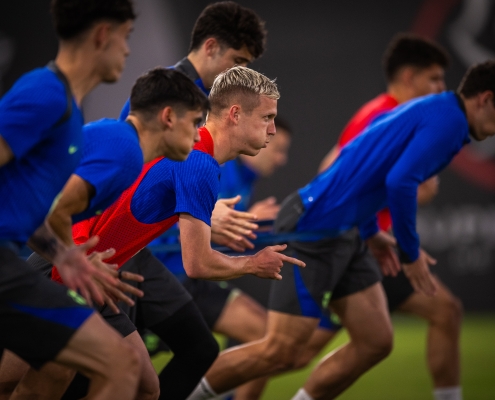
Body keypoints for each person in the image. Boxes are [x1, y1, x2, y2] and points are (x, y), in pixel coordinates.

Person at [186, 60, 495, 400]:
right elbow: (399, 180)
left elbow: (360, 168)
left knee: (375, 341)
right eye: (266, 119)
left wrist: (369, 228)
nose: (271, 132)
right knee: (281, 350)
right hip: (316, 229)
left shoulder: (435, 112)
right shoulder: (448, 120)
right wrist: (409, 254)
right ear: (486, 99)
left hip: (348, 232)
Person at [0, 66, 210, 400]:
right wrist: (72, 257)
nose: (199, 136)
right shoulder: (125, 154)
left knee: (57, 370)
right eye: (196, 122)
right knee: (119, 368)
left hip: (16, 254)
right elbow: (54, 208)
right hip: (11, 257)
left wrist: (72, 258)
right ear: (168, 117)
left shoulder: (120, 144)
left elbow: (39, 206)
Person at [290, 34, 463, 400]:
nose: (441, 88)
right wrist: (417, 188)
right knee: (289, 350)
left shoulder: (383, 113)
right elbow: (344, 171)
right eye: (434, 79)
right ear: (409, 77)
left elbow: (336, 166)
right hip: (358, 244)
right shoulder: (388, 116)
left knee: (297, 350)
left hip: (359, 240)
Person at [0, 0, 143, 399]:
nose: (128, 50)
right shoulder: (45, 94)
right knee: (122, 364)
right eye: (125, 37)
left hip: (10, 264)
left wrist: (65, 256)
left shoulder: (69, 110)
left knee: (112, 366)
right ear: (103, 35)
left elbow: (19, 208)